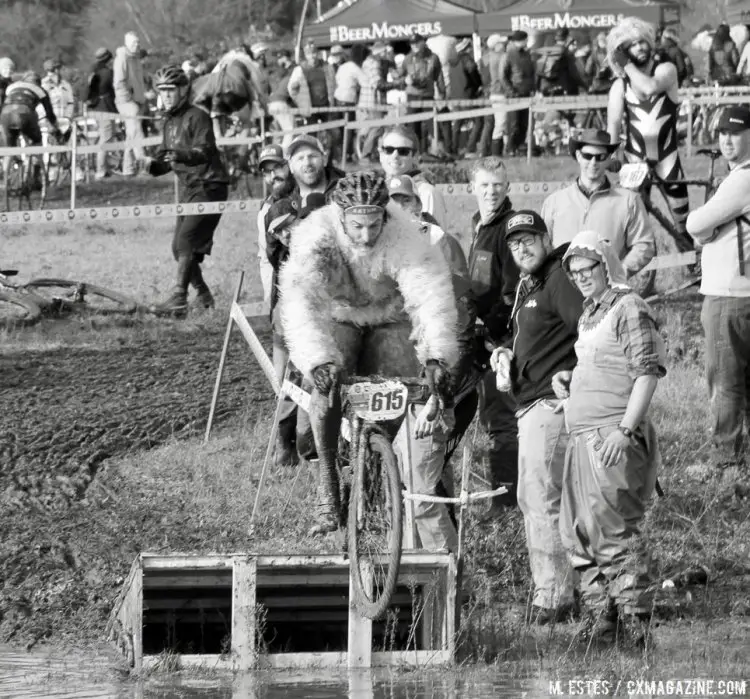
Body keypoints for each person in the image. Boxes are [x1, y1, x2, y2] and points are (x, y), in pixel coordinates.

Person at [278, 171, 459, 534]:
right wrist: (317, 360)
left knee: (394, 382)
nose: (366, 235)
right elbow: (300, 301)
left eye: (374, 225)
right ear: (340, 215)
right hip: (338, 314)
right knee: (328, 385)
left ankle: (381, 462)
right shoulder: (317, 234)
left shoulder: (404, 233)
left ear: (385, 217)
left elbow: (430, 296)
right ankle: (328, 486)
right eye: (357, 226)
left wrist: (436, 356)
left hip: (389, 315)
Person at [553, 230, 666, 644]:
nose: (582, 276)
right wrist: (569, 377)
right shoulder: (589, 314)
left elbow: (646, 373)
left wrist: (624, 430)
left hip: (612, 436)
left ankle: (637, 623)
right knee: (577, 529)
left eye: (588, 268)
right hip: (581, 435)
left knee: (614, 530)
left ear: (606, 265)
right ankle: (602, 615)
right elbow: (602, 364)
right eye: (575, 271)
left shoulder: (629, 306)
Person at [489, 210, 583, 624]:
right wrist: (506, 351)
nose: (522, 247)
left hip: (550, 405)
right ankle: (567, 589)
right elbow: (531, 336)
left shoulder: (558, 278)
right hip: (531, 406)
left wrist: (575, 376)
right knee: (543, 500)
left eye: (529, 239)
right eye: (514, 243)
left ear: (546, 239)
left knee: (539, 499)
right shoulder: (532, 284)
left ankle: (554, 596)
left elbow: (590, 328)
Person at [387, 174, 479, 551]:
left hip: (434, 396)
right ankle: (417, 569)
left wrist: (437, 400)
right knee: (410, 490)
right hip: (405, 392)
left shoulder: (447, 278)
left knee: (424, 495)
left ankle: (449, 575)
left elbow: (461, 341)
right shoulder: (396, 276)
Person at [685, 106, 750, 472]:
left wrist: (704, 230)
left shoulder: (741, 179)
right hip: (742, 292)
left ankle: (726, 463)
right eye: (721, 132)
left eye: (735, 132)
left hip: (729, 295)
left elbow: (697, 222)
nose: (726, 139)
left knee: (725, 382)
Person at [141, 65, 229, 316]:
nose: (166, 95)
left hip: (210, 185)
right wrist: (149, 165)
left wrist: (182, 154)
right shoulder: (169, 122)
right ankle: (203, 296)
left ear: (183, 90)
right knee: (178, 248)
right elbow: (163, 162)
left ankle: (179, 297)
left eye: (171, 90)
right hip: (191, 188)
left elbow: (205, 152)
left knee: (185, 241)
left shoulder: (197, 116)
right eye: (162, 90)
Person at [607, 17, 693, 255]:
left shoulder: (666, 70)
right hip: (635, 162)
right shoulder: (619, 86)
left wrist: (626, 64)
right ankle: (639, 276)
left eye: (643, 41)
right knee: (632, 224)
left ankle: (693, 268)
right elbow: (613, 123)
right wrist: (613, 153)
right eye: (632, 45)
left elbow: (649, 88)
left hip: (668, 160)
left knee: (682, 223)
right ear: (624, 50)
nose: (640, 47)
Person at [467, 157, 520, 509]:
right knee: (488, 413)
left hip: (500, 339)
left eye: (497, 184)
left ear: (508, 187)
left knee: (502, 418)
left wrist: (492, 330)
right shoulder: (479, 225)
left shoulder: (507, 229)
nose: (491, 191)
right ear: (472, 187)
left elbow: (512, 290)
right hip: (480, 334)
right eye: (484, 185)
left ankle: (507, 496)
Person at [541, 129, 655, 278]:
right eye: (588, 156)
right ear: (578, 156)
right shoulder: (554, 202)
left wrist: (621, 271)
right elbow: (542, 246)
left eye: (600, 157)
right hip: (560, 290)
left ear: (609, 159)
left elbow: (644, 245)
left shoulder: (629, 201)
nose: (593, 162)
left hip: (606, 291)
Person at [378, 125, 447, 229]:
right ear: (380, 154)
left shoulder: (427, 193)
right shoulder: (377, 192)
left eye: (403, 151)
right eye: (389, 150)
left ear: (415, 157)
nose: (395, 156)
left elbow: (435, 240)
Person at [256, 144, 294, 304]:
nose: (273, 176)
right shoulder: (265, 209)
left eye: (277, 168)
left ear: (289, 165)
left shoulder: (305, 195)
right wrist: (270, 297)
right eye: (267, 172)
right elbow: (265, 256)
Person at [398, 33, 445, 154]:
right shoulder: (407, 58)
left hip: (427, 96)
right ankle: (415, 154)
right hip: (412, 96)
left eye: (417, 42)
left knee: (433, 125)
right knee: (413, 127)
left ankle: (439, 151)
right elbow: (400, 77)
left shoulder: (433, 57)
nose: (414, 45)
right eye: (412, 43)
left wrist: (442, 94)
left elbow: (439, 77)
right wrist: (405, 80)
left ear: (423, 42)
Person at [114, 32, 147, 177]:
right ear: (127, 44)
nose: (137, 45)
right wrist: (127, 98)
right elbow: (119, 82)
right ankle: (144, 165)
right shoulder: (122, 57)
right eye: (134, 43)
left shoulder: (136, 58)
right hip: (127, 101)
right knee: (136, 131)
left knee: (131, 134)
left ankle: (128, 169)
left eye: (138, 42)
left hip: (137, 100)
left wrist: (142, 98)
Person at [0, 71, 59, 154]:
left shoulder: (11, 86)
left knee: (10, 150)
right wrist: (54, 126)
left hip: (5, 115)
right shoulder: (40, 90)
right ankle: (36, 164)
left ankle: (8, 164)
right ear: (39, 82)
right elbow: (49, 112)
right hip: (25, 114)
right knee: (37, 140)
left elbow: (3, 103)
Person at [499, 30, 535, 157]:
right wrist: (512, 92)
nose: (527, 42)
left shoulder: (527, 54)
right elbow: (502, 77)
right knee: (513, 123)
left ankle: (519, 147)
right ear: (521, 40)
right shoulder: (508, 55)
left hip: (526, 93)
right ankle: (510, 148)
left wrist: (532, 89)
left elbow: (531, 74)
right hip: (514, 95)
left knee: (524, 123)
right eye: (526, 39)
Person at [356, 41, 391, 163]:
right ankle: (366, 154)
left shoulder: (369, 61)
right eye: (384, 51)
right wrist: (397, 84)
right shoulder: (374, 63)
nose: (386, 54)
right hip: (372, 101)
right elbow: (378, 84)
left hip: (369, 101)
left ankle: (370, 153)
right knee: (377, 127)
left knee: (376, 128)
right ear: (379, 51)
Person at [86, 48, 117, 180]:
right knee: (106, 137)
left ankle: (104, 167)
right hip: (105, 108)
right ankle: (101, 170)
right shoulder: (107, 73)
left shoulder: (93, 72)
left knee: (104, 136)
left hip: (95, 108)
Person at [267, 50, 296, 151]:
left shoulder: (280, 72)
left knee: (278, 132)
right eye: (278, 58)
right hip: (281, 102)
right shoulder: (291, 71)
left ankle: (274, 154)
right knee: (289, 130)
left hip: (272, 103)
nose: (279, 60)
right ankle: (283, 154)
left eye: (281, 57)